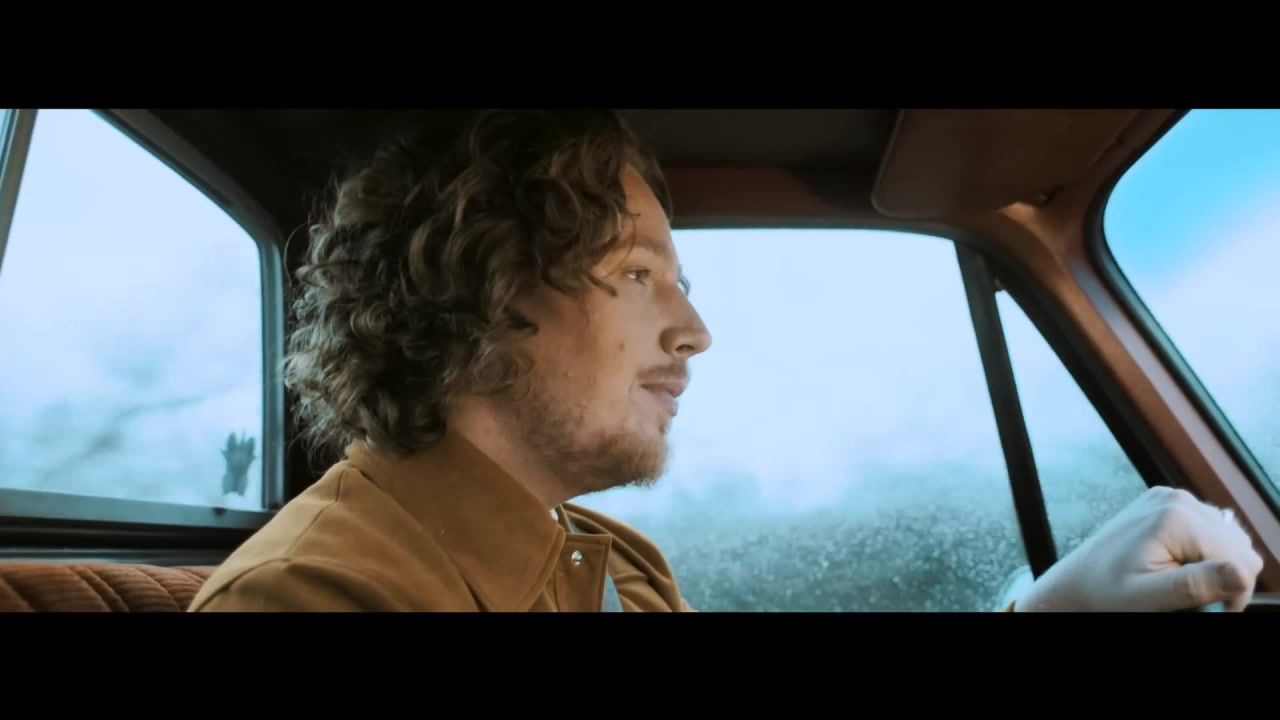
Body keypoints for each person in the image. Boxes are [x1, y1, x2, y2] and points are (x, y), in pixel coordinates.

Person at [188, 109, 1264, 613]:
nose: (694, 332)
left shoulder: (608, 561)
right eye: (636, 273)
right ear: (481, 287)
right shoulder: (313, 599)